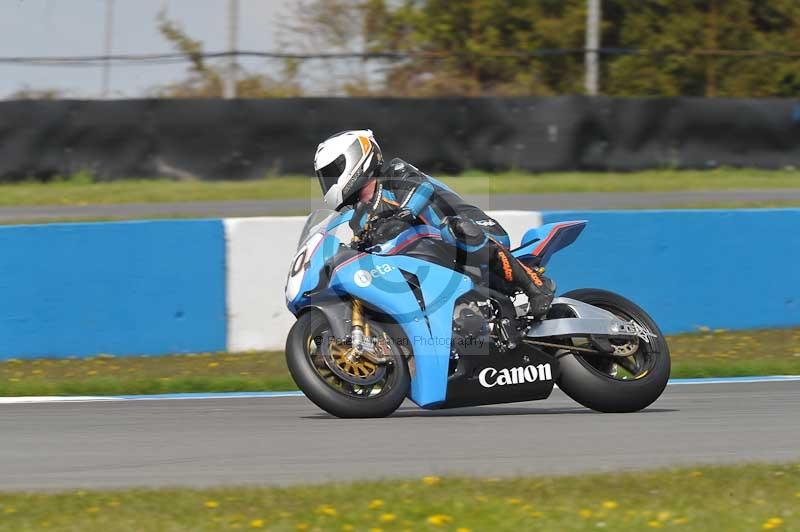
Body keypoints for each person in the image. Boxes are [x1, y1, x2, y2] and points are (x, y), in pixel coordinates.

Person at [313, 129, 554, 319]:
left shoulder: (395, 172)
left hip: (476, 231)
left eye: (332, 172)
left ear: (357, 158)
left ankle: (535, 284)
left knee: (457, 229)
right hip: (439, 261)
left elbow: (421, 190)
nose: (329, 182)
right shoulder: (359, 218)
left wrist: (402, 216)